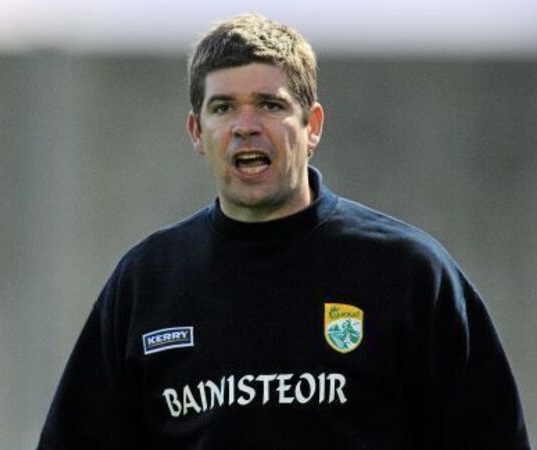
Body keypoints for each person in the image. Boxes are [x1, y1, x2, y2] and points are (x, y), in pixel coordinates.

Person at [37, 13, 531, 449]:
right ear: (196, 132)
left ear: (312, 125)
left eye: (270, 105)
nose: (245, 126)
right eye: (223, 107)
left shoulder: (409, 273)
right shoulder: (147, 282)